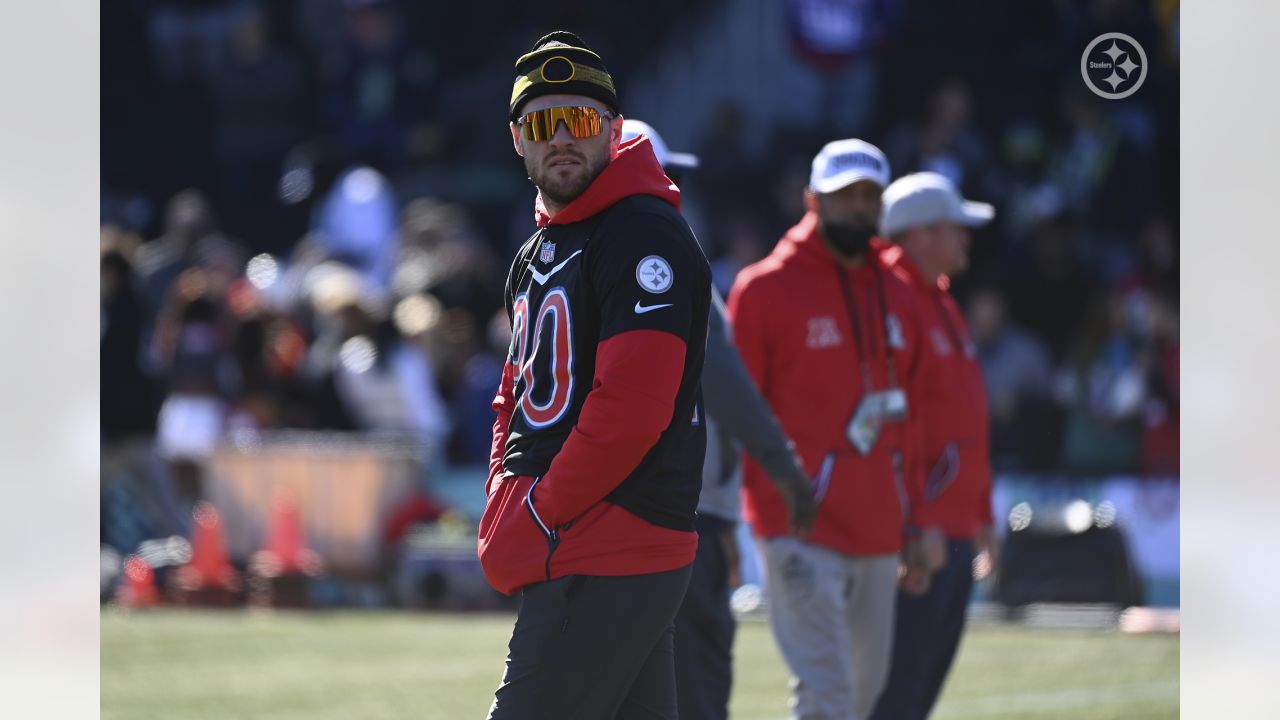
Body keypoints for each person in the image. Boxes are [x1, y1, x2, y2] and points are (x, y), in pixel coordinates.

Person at [478, 32, 712, 719]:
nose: (561, 141)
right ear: (517, 140)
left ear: (613, 131)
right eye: (542, 125)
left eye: (578, 122)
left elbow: (632, 410)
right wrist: (502, 494)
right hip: (588, 537)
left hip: (610, 535)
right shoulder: (536, 249)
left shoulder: (643, 234)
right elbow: (511, 397)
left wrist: (540, 512)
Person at [727, 139, 944, 720]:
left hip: (878, 525)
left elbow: (912, 419)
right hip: (797, 520)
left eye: (869, 196)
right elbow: (734, 413)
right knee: (829, 695)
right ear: (811, 200)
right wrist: (728, 516)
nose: (857, 207)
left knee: (865, 692)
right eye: (843, 195)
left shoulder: (899, 291)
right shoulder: (764, 288)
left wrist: (916, 518)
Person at [623, 118, 819, 720]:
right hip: (680, 512)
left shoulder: (576, 267)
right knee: (696, 676)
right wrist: (784, 466)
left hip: (612, 511)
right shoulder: (670, 268)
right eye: (668, 177)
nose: (679, 193)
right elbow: (726, 387)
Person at [870, 171, 1000, 720]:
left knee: (918, 694)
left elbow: (964, 421)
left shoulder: (940, 300)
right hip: (920, 533)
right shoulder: (893, 298)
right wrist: (914, 522)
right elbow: (898, 423)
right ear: (918, 234)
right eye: (956, 227)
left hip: (952, 529)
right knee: (895, 693)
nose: (967, 237)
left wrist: (980, 515)